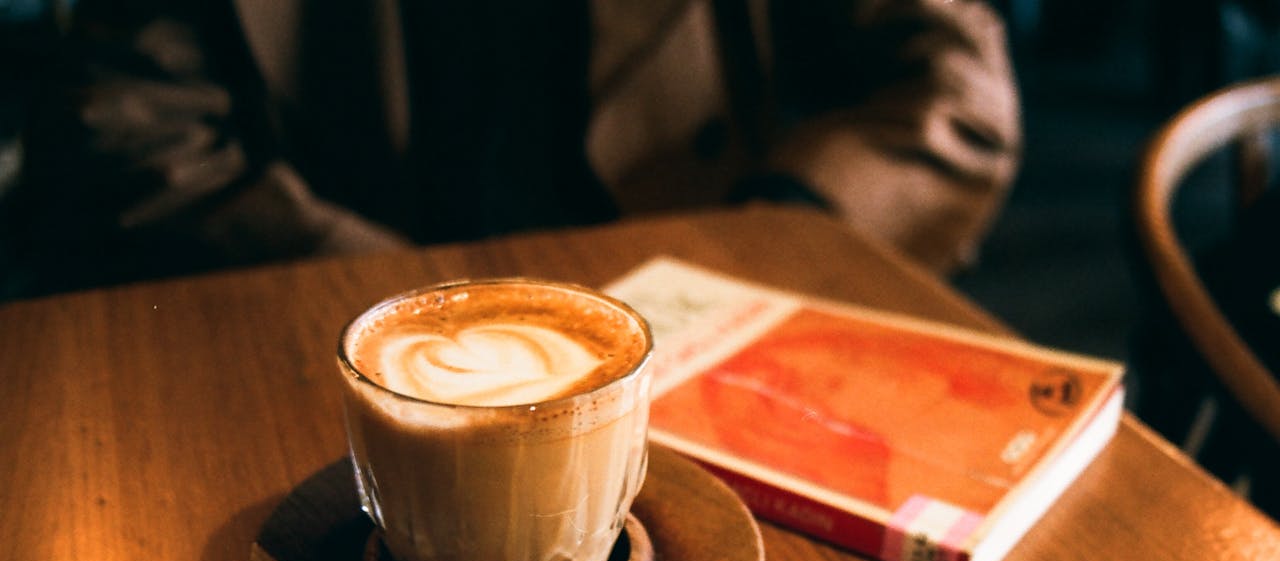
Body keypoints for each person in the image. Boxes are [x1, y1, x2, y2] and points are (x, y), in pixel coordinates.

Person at [21, 0, 1021, 290]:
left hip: (700, 320)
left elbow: (953, 81)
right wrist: (422, 318)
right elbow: (129, 136)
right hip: (333, 350)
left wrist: (776, 240)